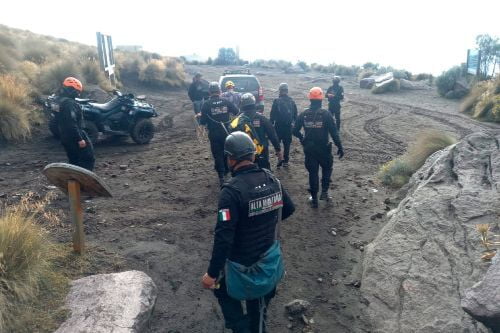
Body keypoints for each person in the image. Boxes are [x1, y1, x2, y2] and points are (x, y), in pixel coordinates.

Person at [202, 131, 295, 333]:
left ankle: (240, 327)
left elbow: (224, 236)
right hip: (268, 261)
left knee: (222, 291)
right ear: (253, 156)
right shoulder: (273, 181)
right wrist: (264, 221)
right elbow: (288, 209)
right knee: (259, 311)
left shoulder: (231, 191)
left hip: (239, 263)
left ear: (231, 159)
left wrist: (211, 273)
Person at [293, 87, 344, 208]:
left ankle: (314, 199)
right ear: (321, 99)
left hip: (309, 149)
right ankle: (324, 192)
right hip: (324, 149)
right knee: (327, 169)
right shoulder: (326, 114)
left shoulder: (304, 114)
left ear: (310, 98)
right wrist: (340, 146)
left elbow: (294, 130)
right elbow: (334, 133)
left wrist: (302, 138)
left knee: (313, 173)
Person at [200, 82, 239, 186]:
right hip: (226, 132)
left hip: (214, 134)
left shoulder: (206, 104)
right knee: (228, 152)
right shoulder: (225, 101)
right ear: (219, 91)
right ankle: (229, 171)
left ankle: (221, 176)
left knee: (217, 154)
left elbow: (202, 122)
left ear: (209, 92)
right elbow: (237, 112)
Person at [229, 93, 283, 170]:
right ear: (254, 103)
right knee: (265, 173)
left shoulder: (237, 121)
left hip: (245, 155)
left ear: (242, 105)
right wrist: (279, 152)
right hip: (262, 152)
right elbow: (273, 136)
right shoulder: (262, 118)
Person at [57, 77, 95, 171]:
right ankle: (84, 182)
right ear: (72, 90)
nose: (78, 94)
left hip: (65, 135)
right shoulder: (69, 104)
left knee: (74, 160)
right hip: (74, 136)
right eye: (77, 91)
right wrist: (80, 139)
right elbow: (71, 123)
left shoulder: (60, 101)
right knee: (87, 158)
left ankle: (74, 183)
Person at [270, 83, 298, 168]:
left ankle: (279, 159)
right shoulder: (292, 101)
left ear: (280, 91)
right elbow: (295, 115)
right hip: (288, 127)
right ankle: (286, 161)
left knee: (277, 144)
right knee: (287, 144)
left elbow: (272, 115)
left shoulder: (276, 101)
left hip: (278, 126)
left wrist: (271, 125)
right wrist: (293, 124)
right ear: (287, 91)